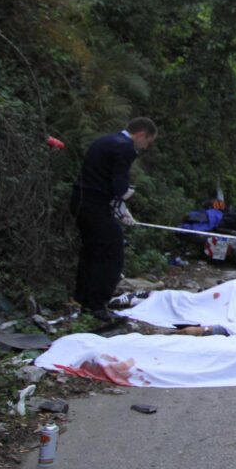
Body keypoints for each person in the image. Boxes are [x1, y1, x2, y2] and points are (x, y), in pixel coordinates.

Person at [70, 117, 157, 320]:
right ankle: (98, 305)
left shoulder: (107, 140)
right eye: (147, 143)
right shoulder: (125, 147)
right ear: (141, 134)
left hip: (81, 200)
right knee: (112, 252)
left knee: (92, 250)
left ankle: (82, 298)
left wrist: (118, 206)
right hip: (94, 205)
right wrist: (125, 197)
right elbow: (119, 185)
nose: (144, 147)